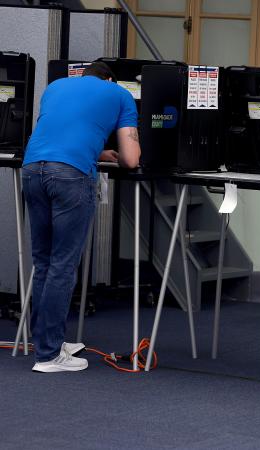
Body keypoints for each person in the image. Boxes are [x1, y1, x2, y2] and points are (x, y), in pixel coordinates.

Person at [23, 61, 140, 373]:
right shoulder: (119, 94)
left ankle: (48, 341)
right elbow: (130, 159)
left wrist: (97, 151)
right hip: (71, 175)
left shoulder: (56, 86)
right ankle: (49, 357)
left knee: (44, 262)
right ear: (111, 79)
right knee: (63, 263)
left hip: (33, 169)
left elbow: (60, 131)